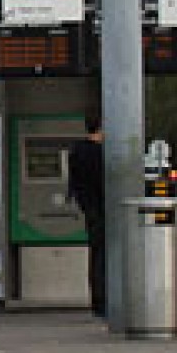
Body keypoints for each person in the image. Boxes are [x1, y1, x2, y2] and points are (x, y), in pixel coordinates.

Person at [66, 110, 106, 318]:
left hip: (87, 207)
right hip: (102, 208)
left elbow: (73, 181)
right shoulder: (101, 154)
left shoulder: (77, 150)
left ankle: (96, 299)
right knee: (104, 254)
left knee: (95, 253)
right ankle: (104, 299)